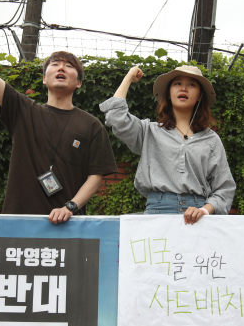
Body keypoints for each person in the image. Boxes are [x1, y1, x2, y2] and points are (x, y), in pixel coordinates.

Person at [0, 0, 117, 225]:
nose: (61, 68)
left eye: (69, 66)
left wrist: (71, 206)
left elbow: (95, 177)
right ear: (44, 79)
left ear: (78, 83)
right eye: (55, 64)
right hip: (18, 221)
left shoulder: (91, 126)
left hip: (67, 224)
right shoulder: (22, 110)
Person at [99, 65, 235, 224]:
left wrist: (204, 210)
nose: (183, 88)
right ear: (169, 94)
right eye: (177, 83)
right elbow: (116, 117)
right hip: (156, 214)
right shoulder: (149, 132)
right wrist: (129, 77)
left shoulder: (211, 140)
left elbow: (224, 188)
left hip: (198, 219)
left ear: (200, 96)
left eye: (191, 84)